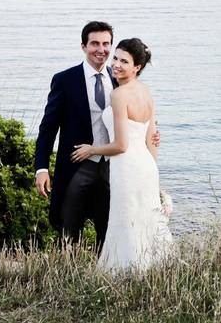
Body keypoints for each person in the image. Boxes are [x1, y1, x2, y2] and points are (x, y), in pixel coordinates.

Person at [33, 22, 160, 250]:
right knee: (68, 226)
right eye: (95, 43)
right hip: (78, 165)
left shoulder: (121, 78)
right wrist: (41, 168)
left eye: (106, 44)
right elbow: (48, 128)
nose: (101, 49)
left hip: (115, 168)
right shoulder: (65, 80)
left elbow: (137, 119)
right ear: (83, 46)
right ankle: (67, 273)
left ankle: (105, 275)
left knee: (111, 227)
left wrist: (149, 136)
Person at [71, 38, 173, 272]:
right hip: (146, 166)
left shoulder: (119, 95)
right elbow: (151, 139)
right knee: (145, 219)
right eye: (115, 58)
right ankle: (152, 270)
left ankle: (124, 272)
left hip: (126, 167)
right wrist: (153, 172)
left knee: (125, 220)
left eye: (123, 61)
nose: (115, 64)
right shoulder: (146, 92)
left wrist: (92, 149)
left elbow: (121, 145)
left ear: (137, 67)